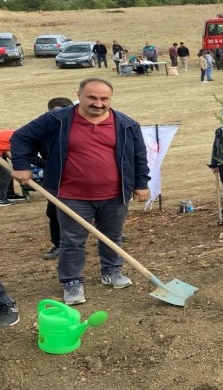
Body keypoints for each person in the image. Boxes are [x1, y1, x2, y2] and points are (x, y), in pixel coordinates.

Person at [10, 77, 151, 306]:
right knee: (72, 241)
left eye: (104, 98)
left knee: (112, 236)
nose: (98, 103)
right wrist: (21, 165)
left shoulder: (126, 124)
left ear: (110, 99)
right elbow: (21, 137)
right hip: (72, 195)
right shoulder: (57, 119)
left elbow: (138, 156)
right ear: (79, 95)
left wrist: (141, 183)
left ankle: (111, 271)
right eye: (92, 97)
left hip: (115, 194)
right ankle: (72, 281)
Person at [40, 97, 75, 260]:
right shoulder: (42, 129)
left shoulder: (79, 127)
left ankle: (110, 237)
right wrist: (45, 164)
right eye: (58, 111)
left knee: (98, 207)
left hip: (81, 176)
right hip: (56, 179)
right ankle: (58, 244)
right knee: (54, 212)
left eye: (67, 109)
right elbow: (24, 146)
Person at [0, 130, 28, 206]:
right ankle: (0, 200)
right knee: (6, 174)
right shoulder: (18, 138)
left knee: (9, 171)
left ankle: (9, 194)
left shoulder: (18, 135)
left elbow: (8, 150)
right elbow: (10, 154)